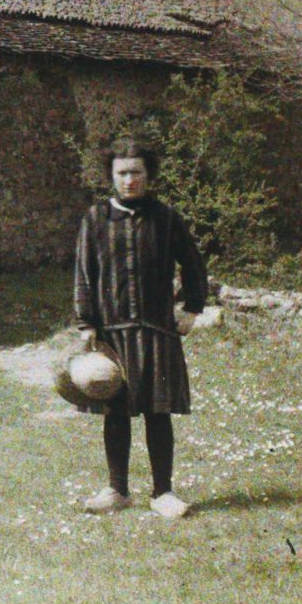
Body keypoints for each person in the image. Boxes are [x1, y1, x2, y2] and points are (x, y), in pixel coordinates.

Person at [71, 137, 209, 518]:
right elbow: (84, 273)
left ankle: (163, 492)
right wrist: (86, 322)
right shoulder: (96, 219)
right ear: (111, 176)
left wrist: (192, 309)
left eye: (136, 172)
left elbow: (194, 266)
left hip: (157, 331)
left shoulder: (166, 219)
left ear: (148, 175)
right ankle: (117, 490)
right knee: (116, 412)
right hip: (112, 332)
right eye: (121, 173)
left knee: (157, 411)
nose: (129, 180)